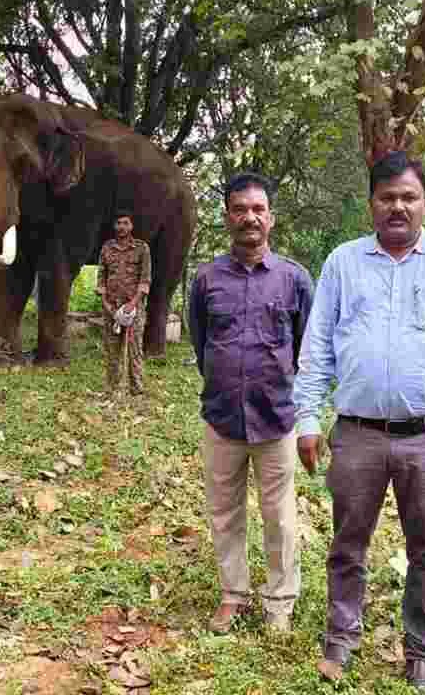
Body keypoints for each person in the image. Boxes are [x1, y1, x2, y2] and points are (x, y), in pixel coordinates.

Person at [292, 151, 425, 691]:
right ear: (372, 206)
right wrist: (308, 417)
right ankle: (341, 635)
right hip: (357, 434)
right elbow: (317, 347)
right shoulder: (343, 262)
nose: (398, 207)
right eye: (388, 198)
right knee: (347, 542)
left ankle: (424, 651)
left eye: (409, 197)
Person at [187, 173, 315, 634]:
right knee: (224, 510)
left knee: (279, 515)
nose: (250, 218)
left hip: (276, 417)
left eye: (258, 209)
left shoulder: (294, 280)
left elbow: (307, 349)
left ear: (271, 219)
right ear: (227, 218)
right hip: (222, 416)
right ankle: (233, 594)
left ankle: (280, 601)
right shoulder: (206, 279)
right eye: (240, 209)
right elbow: (202, 344)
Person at [96, 211, 151, 396]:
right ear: (114, 226)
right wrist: (105, 302)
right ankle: (112, 387)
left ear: (131, 226)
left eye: (125, 223)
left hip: (133, 308)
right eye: (118, 223)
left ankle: (136, 389)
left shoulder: (142, 248)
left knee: (134, 349)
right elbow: (101, 277)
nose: (121, 227)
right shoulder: (106, 248)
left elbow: (145, 280)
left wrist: (133, 304)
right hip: (111, 307)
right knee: (112, 350)